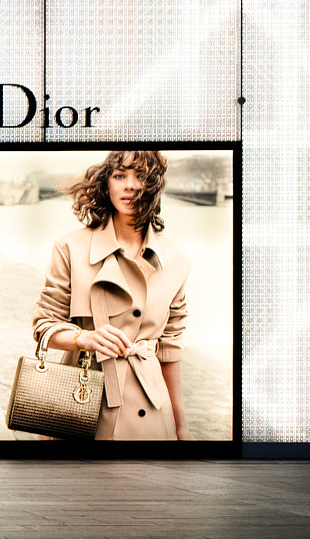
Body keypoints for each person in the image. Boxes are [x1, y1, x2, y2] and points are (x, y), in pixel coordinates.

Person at [34, 150, 192, 440]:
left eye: (140, 176)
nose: (129, 185)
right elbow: (44, 326)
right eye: (120, 175)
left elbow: (170, 350)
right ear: (107, 183)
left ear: (154, 185)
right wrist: (84, 339)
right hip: (82, 402)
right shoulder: (70, 247)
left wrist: (181, 428)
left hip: (152, 412)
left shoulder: (176, 259)